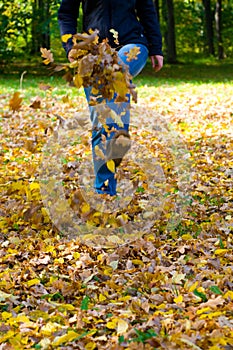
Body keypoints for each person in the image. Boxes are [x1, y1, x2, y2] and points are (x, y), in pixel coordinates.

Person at [58, 0, 163, 196]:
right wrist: (71, 45)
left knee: (115, 73)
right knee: (102, 119)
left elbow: (147, 10)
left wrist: (156, 48)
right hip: (92, 52)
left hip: (132, 44)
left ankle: (118, 134)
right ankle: (105, 192)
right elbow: (66, 13)